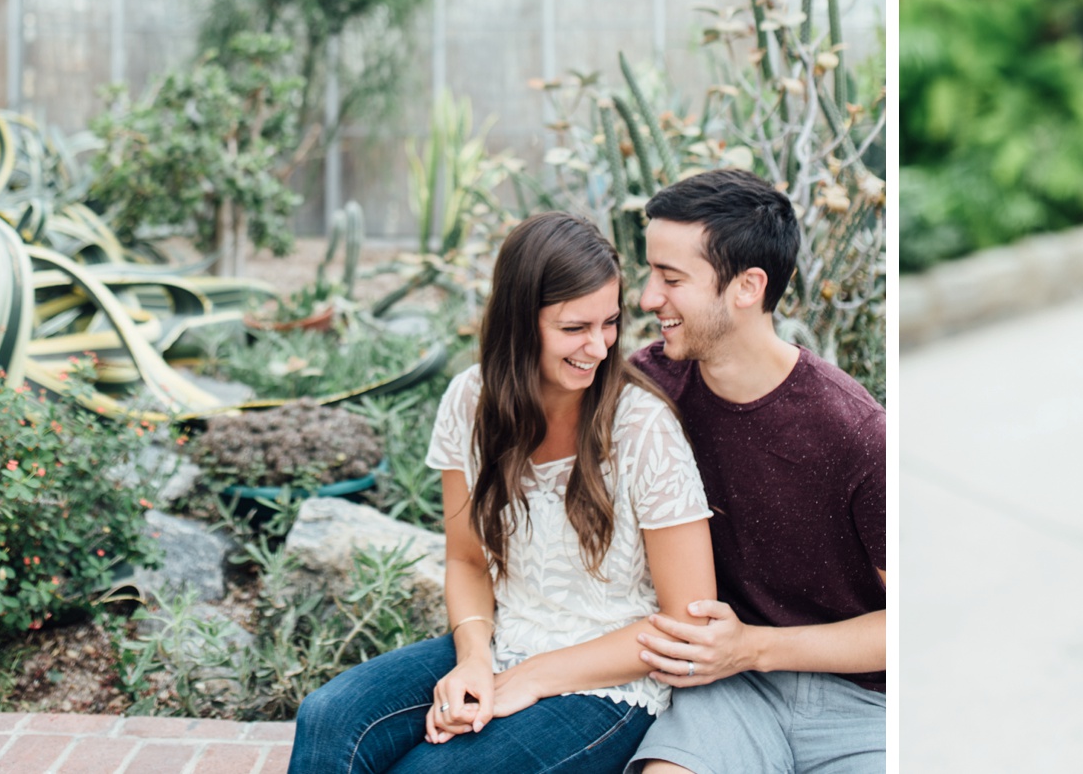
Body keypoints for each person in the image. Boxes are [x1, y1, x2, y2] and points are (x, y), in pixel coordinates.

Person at [288, 212, 715, 774]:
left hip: (613, 682)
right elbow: (466, 560)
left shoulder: (642, 427)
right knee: (328, 717)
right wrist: (472, 662)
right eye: (573, 328)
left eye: (608, 323)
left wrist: (527, 679)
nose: (598, 346)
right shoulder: (470, 401)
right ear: (519, 321)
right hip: (502, 639)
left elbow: (687, 624)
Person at [620, 167, 886, 774]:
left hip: (863, 704)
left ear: (746, 287)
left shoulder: (857, 434)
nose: (647, 297)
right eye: (649, 274)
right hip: (727, 693)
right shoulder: (650, 386)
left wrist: (754, 647)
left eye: (670, 278)